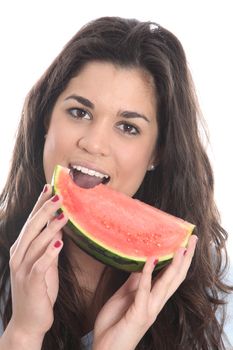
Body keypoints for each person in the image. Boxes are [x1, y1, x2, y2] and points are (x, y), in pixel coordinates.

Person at [0, 16, 232, 350]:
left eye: (128, 127)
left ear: (157, 153)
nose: (94, 144)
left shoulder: (214, 290)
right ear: (45, 120)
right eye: (79, 112)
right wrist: (23, 333)